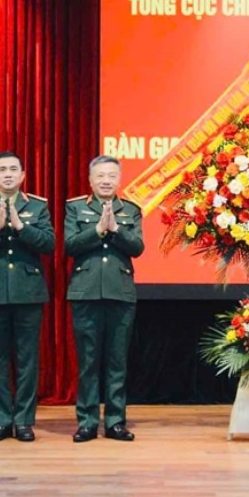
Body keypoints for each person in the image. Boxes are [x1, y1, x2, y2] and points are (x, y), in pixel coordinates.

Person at [0, 152, 55, 442]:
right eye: (1, 170)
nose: (7, 174)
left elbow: (49, 244)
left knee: (28, 361)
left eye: (13, 169)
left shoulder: (37, 206)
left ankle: (24, 421)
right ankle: (1, 420)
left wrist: (20, 226)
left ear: (23, 175)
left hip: (28, 294)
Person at [65, 155, 144, 443]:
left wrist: (116, 230)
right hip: (85, 292)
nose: (106, 180)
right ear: (90, 180)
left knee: (116, 361)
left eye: (111, 175)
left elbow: (137, 247)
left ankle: (115, 422)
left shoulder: (131, 210)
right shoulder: (75, 208)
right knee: (88, 361)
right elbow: (70, 245)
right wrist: (98, 230)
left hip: (120, 293)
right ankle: (86, 422)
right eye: (100, 176)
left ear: (119, 179)